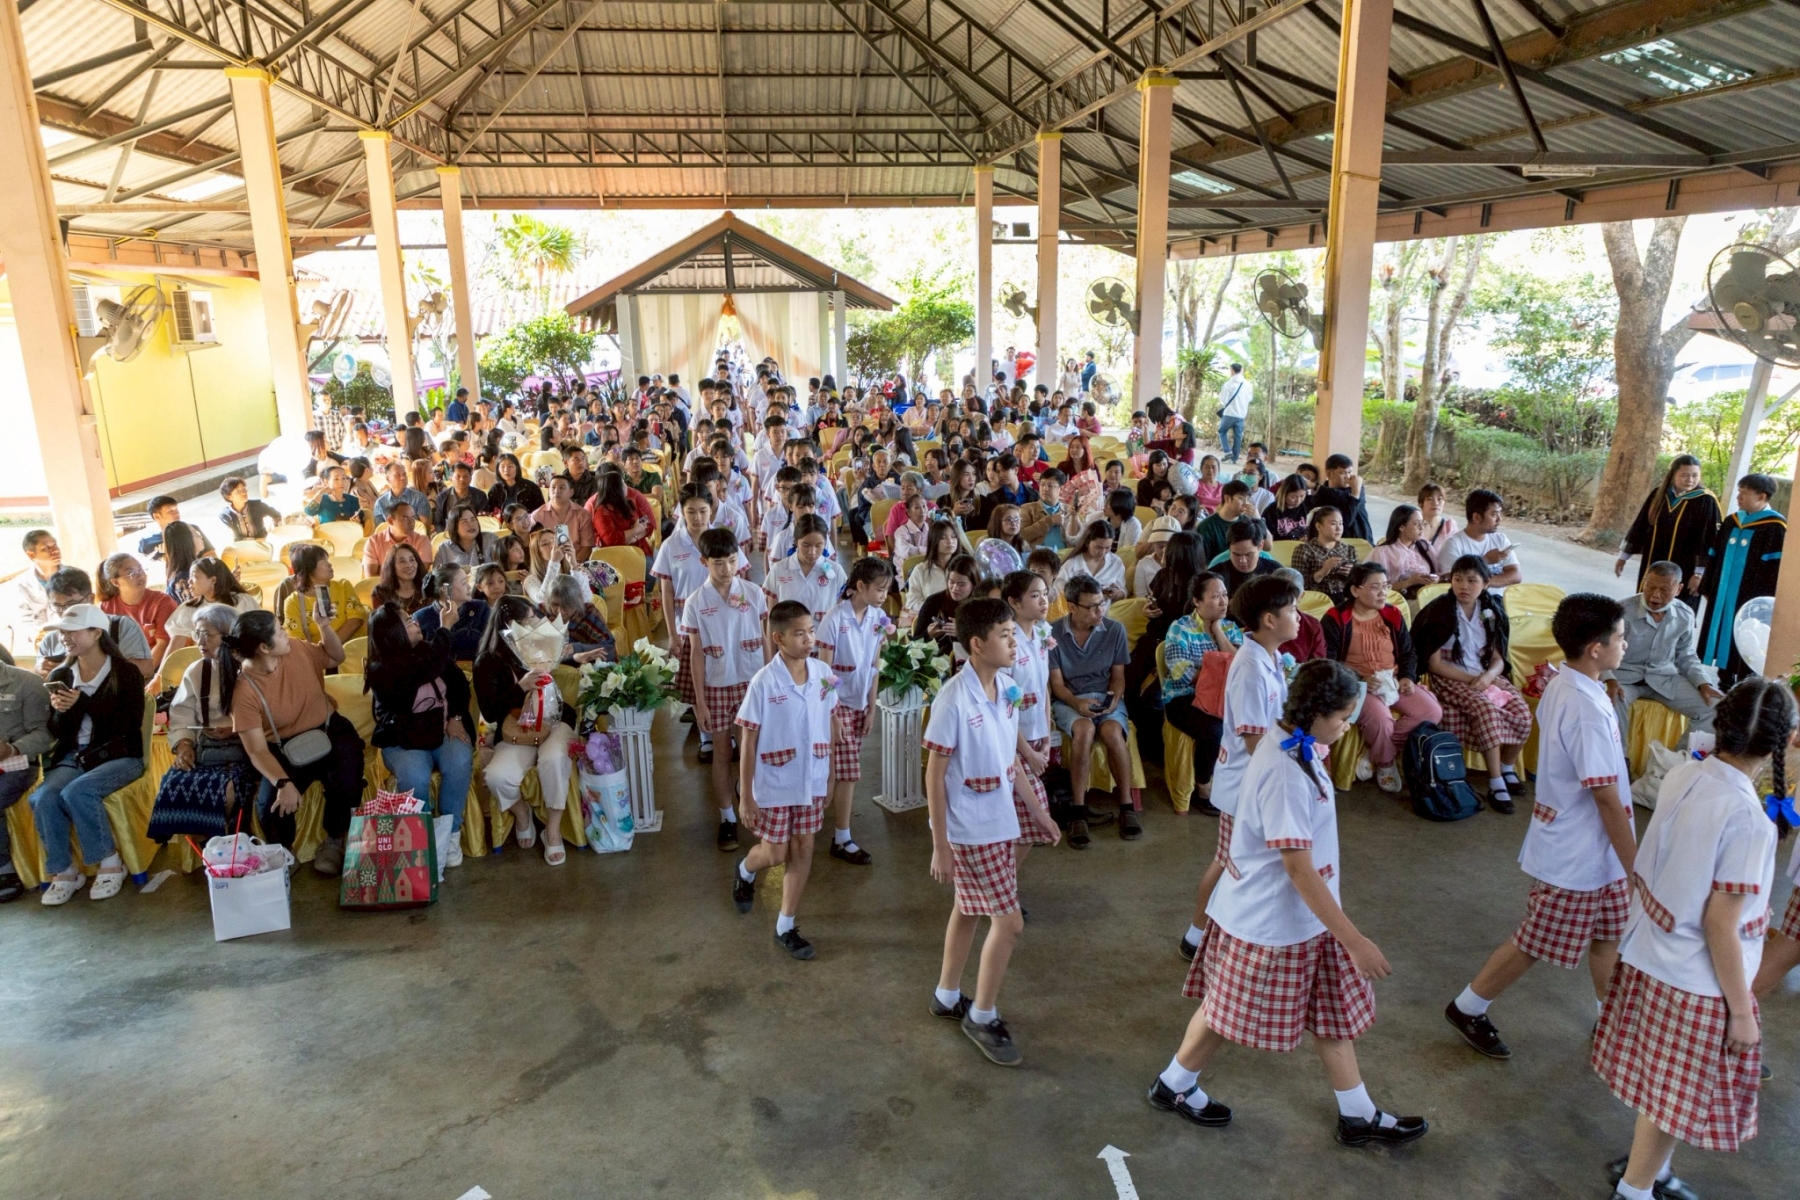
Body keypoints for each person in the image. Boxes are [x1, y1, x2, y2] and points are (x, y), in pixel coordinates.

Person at [1151, 659, 1427, 1149]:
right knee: (1225, 1011)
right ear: (1315, 714)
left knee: (1329, 1010)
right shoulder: (1284, 770)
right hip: (1270, 921)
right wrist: (1355, 940)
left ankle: (1357, 1113)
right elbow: (1297, 867)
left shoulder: (1296, 746)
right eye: (1342, 717)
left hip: (1307, 917)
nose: (1346, 727)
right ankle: (1174, 1082)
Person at [1599, 679, 1792, 1200]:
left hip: (1650, 954)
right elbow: (1719, 924)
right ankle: (1635, 1190)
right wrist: (1742, 1011)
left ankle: (1652, 1173)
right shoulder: (1749, 820)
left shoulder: (1685, 773)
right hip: (1697, 979)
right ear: (1781, 743)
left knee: (1664, 1086)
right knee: (1677, 1097)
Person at [1444, 593, 1634, 1062]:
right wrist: (1637, 866)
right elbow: (1605, 795)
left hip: (1598, 852)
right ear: (1596, 648)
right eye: (1620, 638)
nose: (1625, 645)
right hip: (1578, 854)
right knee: (1535, 940)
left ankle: (1611, 1021)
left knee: (1609, 934)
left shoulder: (1572, 684)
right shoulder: (1584, 707)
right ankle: (1468, 1007)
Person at [924, 597, 1051, 1066]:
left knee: (968, 908)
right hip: (969, 827)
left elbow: (1009, 757)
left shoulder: (1007, 688)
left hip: (998, 818)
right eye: (1005, 635)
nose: (1015, 642)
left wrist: (1038, 812)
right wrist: (940, 844)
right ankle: (981, 1014)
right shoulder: (954, 700)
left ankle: (946, 994)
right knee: (1009, 923)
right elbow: (934, 775)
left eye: (1015, 634)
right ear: (977, 644)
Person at [1177, 574, 1297, 962]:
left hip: (1259, 779)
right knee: (1229, 860)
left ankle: (1219, 932)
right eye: (1293, 610)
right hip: (1246, 783)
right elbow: (1253, 740)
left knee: (1238, 860)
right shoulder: (1250, 668)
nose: (1299, 616)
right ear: (1269, 620)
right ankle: (1196, 934)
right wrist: (1297, 748)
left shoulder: (1269, 657)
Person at [729, 600, 842, 960]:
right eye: (799, 633)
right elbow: (748, 740)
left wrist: (831, 775)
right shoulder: (764, 682)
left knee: (804, 847)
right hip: (775, 782)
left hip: (812, 778)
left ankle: (785, 925)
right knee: (774, 853)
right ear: (778, 638)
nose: (809, 639)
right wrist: (746, 796)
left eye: (811, 631)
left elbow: (830, 721)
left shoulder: (823, 673)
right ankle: (746, 868)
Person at [226, 607, 363, 873]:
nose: (286, 633)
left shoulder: (296, 648)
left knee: (348, 781)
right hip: (282, 747)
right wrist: (283, 782)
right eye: (280, 631)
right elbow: (257, 750)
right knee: (270, 805)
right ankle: (285, 852)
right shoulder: (244, 690)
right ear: (264, 648)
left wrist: (324, 626)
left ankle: (334, 841)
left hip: (329, 729)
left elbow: (336, 656)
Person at [29, 605, 146, 905]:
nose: (65, 638)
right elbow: (57, 731)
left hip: (119, 755)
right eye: (62, 632)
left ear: (96, 633)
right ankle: (64, 870)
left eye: (73, 631)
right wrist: (61, 711)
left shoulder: (125, 672)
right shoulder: (62, 674)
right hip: (75, 756)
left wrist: (82, 703)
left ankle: (110, 862)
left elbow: (128, 724)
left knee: (78, 792)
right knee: (43, 797)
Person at [1413, 556, 1531, 812]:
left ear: (1486, 583)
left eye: (1471, 580)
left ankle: (1508, 767)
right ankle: (1495, 781)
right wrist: (1474, 680)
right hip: (1450, 675)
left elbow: (1498, 658)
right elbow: (1434, 664)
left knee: (1522, 712)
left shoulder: (1492, 609)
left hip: (1485, 673)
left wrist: (1489, 677)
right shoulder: (1439, 610)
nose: (1463, 586)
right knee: (1485, 710)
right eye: (1458, 579)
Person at [364, 603, 474, 865]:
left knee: (459, 761)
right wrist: (445, 629)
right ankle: (421, 842)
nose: (415, 622)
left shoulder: (428, 651)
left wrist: (455, 717)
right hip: (403, 740)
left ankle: (450, 835)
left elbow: (461, 687)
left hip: (442, 729)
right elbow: (420, 671)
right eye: (407, 621)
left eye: (412, 617)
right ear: (393, 634)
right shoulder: (381, 669)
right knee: (415, 777)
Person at [1319, 563, 1443, 794]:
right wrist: (1360, 678)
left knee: (1431, 711)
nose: (1383, 593)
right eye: (1375, 587)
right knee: (1381, 720)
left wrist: (1407, 676)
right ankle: (1385, 764)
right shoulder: (1336, 618)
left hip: (1392, 678)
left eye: (1385, 586)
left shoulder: (1392, 614)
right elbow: (1329, 661)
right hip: (1357, 684)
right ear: (1355, 590)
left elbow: (1408, 652)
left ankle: (1375, 752)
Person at [682, 528, 768, 851]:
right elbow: (695, 654)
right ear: (704, 562)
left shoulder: (754, 593)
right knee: (722, 752)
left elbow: (765, 640)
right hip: (716, 686)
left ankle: (753, 804)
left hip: (751, 684)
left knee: (751, 749)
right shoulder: (695, 603)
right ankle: (727, 817)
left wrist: (771, 681)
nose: (727, 569)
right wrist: (700, 702)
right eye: (718, 563)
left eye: (732, 561)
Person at [473, 595, 575, 865]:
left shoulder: (540, 646)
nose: (536, 623)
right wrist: (520, 688)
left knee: (554, 759)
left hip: (555, 721)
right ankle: (521, 813)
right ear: (512, 625)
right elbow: (490, 712)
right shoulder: (487, 661)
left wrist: (571, 654)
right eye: (530, 619)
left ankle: (552, 830)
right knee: (497, 777)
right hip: (517, 730)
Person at [816, 557, 894, 868]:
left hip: (861, 703)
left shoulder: (878, 618)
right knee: (846, 772)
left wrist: (872, 706)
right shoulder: (834, 619)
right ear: (860, 586)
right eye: (880, 589)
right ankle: (841, 838)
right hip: (838, 705)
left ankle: (830, 826)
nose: (884, 595)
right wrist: (833, 715)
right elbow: (824, 674)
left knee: (841, 770)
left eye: (886, 589)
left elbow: (874, 664)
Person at [1049, 572, 1136, 844]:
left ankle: (1127, 806)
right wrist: (1077, 703)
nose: (1100, 611)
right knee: (1084, 730)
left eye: (1102, 604)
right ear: (1072, 607)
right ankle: (1078, 810)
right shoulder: (1052, 633)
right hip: (1070, 698)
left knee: (1112, 732)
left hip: (1106, 697)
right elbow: (1057, 684)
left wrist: (1113, 700)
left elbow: (1118, 677)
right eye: (1092, 607)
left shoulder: (1114, 630)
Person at [153, 603, 252, 842]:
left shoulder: (251, 669)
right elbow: (182, 714)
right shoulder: (198, 670)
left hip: (247, 748)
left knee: (225, 789)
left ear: (229, 636)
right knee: (174, 783)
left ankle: (224, 844)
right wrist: (184, 745)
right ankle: (207, 848)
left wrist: (235, 730)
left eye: (208, 634)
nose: (200, 641)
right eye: (197, 634)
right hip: (207, 749)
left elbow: (269, 716)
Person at [1605, 561, 1722, 742]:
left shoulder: (1685, 615)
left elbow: (1686, 654)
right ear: (1644, 582)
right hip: (1624, 678)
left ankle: (1679, 758)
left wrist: (1703, 683)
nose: (1655, 595)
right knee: (1611, 702)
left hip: (1664, 678)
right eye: (1651, 587)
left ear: (1678, 589)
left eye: (1664, 590)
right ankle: (1620, 757)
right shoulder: (1621, 611)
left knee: (1715, 708)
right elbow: (1603, 650)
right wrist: (1609, 680)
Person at [1161, 571, 1241, 814]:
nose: (1223, 602)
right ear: (1197, 601)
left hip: (1223, 696)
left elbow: (1240, 665)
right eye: (1215, 596)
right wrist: (1220, 673)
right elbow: (1181, 671)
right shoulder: (1180, 628)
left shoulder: (1230, 628)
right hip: (1184, 697)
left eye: (1225, 595)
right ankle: (1203, 786)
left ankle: (1236, 782)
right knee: (1215, 729)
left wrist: (1218, 631)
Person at [1698, 472, 1786, 689]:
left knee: (1747, 637)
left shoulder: (1776, 527)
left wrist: (1765, 603)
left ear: (1761, 497)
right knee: (1722, 634)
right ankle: (1724, 681)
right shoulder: (1732, 521)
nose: (1738, 497)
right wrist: (1708, 587)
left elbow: (1775, 570)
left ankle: (1746, 687)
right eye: (1739, 492)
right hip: (1723, 594)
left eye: (1744, 493)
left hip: (1750, 597)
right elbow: (1714, 555)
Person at [1002, 570, 1060, 893]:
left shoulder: (1041, 634)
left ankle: (1003, 886)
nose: (1043, 601)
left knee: (1022, 824)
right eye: (1034, 595)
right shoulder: (1008, 643)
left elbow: (1044, 687)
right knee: (1031, 817)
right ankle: (1001, 888)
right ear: (1014, 602)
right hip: (1014, 743)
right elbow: (1004, 710)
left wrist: (1047, 736)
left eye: (1045, 594)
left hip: (1036, 736)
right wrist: (1028, 753)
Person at [1616, 453, 1719, 603]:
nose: (1690, 480)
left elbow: (1709, 539)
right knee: (1647, 601)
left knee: (1678, 607)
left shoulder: (1706, 500)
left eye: (1695, 475)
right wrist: (1623, 557)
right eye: (1684, 475)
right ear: (1673, 474)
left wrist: (1699, 574)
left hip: (1686, 568)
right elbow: (1640, 526)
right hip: (1653, 561)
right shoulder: (1659, 494)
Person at [36, 567, 154, 682]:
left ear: (91, 599)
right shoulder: (50, 639)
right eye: (57, 606)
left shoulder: (121, 626)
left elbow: (146, 669)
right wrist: (39, 669)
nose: (64, 611)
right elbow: (41, 679)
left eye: (71, 604)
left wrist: (75, 665)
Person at [0, 649, 52, 903]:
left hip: (17, 765)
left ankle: (4, 870)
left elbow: (45, 734)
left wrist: (12, 749)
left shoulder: (27, 683)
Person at [96, 553, 178, 679]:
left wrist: (141, 674)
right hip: (122, 671)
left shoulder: (162, 602)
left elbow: (163, 644)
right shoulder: (105, 609)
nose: (140, 575)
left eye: (140, 569)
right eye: (131, 573)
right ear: (115, 582)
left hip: (157, 669)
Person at [764, 513, 844, 626]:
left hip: (824, 636)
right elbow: (772, 618)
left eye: (818, 545)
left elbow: (843, 612)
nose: (812, 552)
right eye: (806, 545)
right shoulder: (779, 570)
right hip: (789, 637)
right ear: (796, 541)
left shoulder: (836, 571)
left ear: (825, 543)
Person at [282, 545, 367, 643]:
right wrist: (325, 649)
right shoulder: (292, 602)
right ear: (309, 570)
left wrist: (330, 646)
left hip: (351, 648)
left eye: (328, 560)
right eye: (323, 562)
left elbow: (356, 620)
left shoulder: (343, 586)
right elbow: (297, 640)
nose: (330, 565)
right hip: (317, 652)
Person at [1441, 488, 1521, 589]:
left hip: (1498, 599)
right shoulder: (1453, 544)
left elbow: (1516, 575)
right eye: (1494, 514)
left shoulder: (1500, 540)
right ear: (1477, 517)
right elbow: (1452, 581)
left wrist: (1483, 582)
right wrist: (1484, 561)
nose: (1499, 519)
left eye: (1499, 514)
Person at [414, 565, 489, 661]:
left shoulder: (481, 608)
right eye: (463, 583)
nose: (469, 587)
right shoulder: (421, 618)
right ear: (445, 589)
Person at [913, 554, 979, 662]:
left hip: (971, 662)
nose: (955, 588)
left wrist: (962, 634)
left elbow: (988, 644)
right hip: (937, 662)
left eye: (962, 584)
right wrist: (928, 634)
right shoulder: (934, 602)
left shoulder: (981, 606)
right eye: (951, 582)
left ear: (973, 584)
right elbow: (915, 642)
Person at [4, 529, 63, 650]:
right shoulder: (20, 585)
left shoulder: (76, 577)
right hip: (38, 643)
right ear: (31, 555)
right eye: (46, 548)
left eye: (55, 545)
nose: (55, 550)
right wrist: (41, 638)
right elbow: (24, 619)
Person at [1291, 505, 1360, 606]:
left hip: (1346, 599)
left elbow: (1360, 583)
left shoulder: (1350, 550)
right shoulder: (1304, 550)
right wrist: (1322, 572)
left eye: (1341, 523)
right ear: (1319, 526)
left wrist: (1352, 575)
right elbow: (1298, 586)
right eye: (1333, 524)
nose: (1339, 528)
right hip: (1316, 602)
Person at [1367, 504, 1439, 600]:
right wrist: (1410, 581)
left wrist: (1435, 579)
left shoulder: (1425, 547)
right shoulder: (1383, 552)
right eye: (1417, 523)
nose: (1421, 527)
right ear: (1401, 527)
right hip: (1398, 600)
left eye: (1423, 523)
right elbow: (1377, 588)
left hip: (1427, 597)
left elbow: (1438, 573)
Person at [543, 574, 616, 665]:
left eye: (566, 605)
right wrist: (574, 656)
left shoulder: (589, 615)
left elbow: (610, 650)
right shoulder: (546, 616)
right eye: (555, 604)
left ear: (577, 601)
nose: (559, 611)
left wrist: (576, 648)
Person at [1055, 519, 1127, 602]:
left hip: (1106, 609)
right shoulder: (1072, 564)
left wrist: (1118, 593)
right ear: (1087, 542)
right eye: (1098, 547)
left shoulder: (1115, 562)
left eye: (1107, 547)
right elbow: (1058, 591)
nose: (1102, 552)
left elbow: (1123, 590)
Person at [1309, 454, 1373, 543]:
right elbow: (1346, 521)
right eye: (1343, 473)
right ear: (1329, 474)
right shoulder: (1322, 494)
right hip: (1332, 543)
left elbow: (1341, 496)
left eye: (1349, 472)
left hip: (1361, 541)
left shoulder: (1357, 488)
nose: (1347, 477)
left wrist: (1316, 487)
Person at [904, 519, 961, 617]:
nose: (950, 541)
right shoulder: (920, 570)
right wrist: (935, 610)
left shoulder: (964, 568)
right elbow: (912, 602)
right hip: (932, 619)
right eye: (943, 537)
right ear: (933, 540)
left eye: (953, 536)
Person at [361, 501, 431, 579]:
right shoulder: (373, 542)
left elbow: (421, 574)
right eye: (405, 518)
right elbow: (371, 577)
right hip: (382, 586)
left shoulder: (422, 540)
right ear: (390, 521)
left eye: (413, 517)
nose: (411, 522)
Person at [218, 477, 283, 542]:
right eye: (238, 491)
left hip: (263, 542)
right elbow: (236, 538)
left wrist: (275, 530)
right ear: (229, 497)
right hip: (242, 545)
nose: (244, 493)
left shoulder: (257, 505)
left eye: (244, 489)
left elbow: (276, 515)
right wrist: (257, 540)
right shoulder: (225, 515)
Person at [434, 505, 496, 571]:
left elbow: (501, 570)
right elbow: (436, 576)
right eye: (465, 521)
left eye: (473, 519)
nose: (471, 524)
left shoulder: (490, 540)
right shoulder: (444, 549)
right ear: (454, 527)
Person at [433, 461, 490, 531]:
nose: (462, 479)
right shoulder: (442, 497)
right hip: (449, 533)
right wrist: (446, 535)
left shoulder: (480, 496)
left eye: (465, 476)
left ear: (470, 478)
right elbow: (438, 523)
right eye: (458, 476)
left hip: (473, 532)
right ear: (450, 478)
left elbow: (484, 521)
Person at [1215, 362, 1251, 463]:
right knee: (1238, 437)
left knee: (1222, 431)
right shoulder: (1248, 385)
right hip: (1241, 415)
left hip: (1229, 413)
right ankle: (1234, 459)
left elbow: (1223, 399)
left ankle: (1227, 452)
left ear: (1232, 371)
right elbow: (1249, 398)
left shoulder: (1228, 384)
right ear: (1241, 370)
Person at [1417, 482, 1459, 564]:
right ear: (1421, 503)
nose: (1435, 503)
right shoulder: (1412, 525)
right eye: (1430, 499)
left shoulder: (1449, 527)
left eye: (1439, 499)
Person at [1262, 474, 1312, 542]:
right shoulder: (1271, 511)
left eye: (1302, 496)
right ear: (1284, 494)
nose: (1298, 500)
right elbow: (1266, 537)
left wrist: (1314, 485)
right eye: (1293, 497)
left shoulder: (1307, 505)